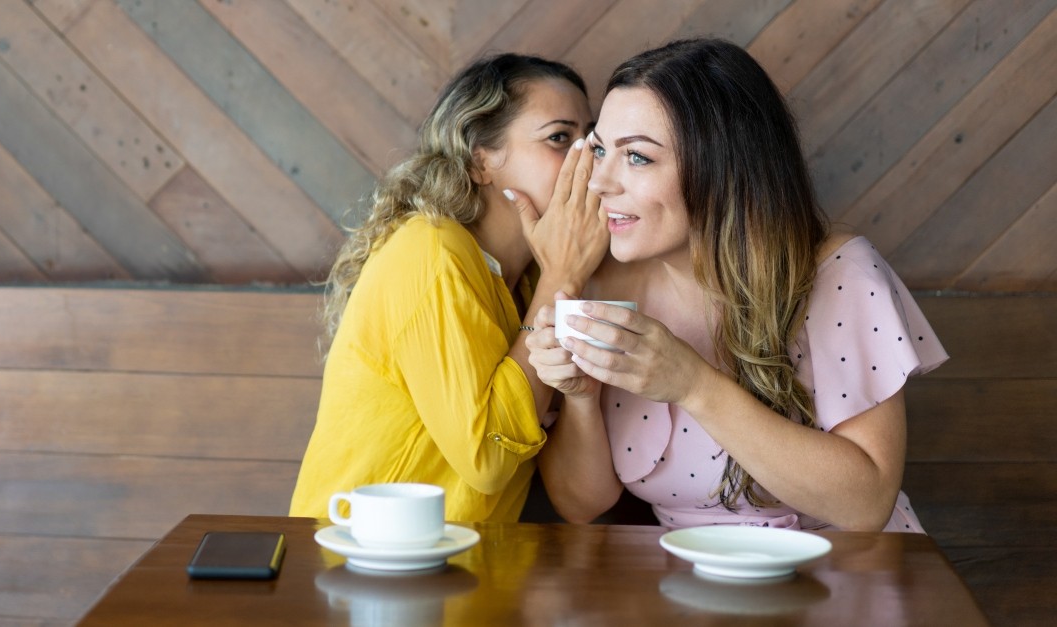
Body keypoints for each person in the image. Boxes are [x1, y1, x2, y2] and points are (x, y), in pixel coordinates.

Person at [526, 38, 948, 532]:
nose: (600, 181)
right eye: (600, 150)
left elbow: (866, 507)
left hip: (841, 580)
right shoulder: (601, 285)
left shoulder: (839, 273)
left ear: (723, 168)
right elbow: (581, 504)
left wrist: (693, 384)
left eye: (637, 157)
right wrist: (579, 397)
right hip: (690, 592)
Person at [289, 53, 608, 522]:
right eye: (560, 138)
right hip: (360, 563)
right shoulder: (431, 252)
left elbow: (578, 497)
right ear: (481, 161)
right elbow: (488, 459)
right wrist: (563, 279)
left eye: (592, 140)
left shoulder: (530, 282)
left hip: (466, 572)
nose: (588, 161)